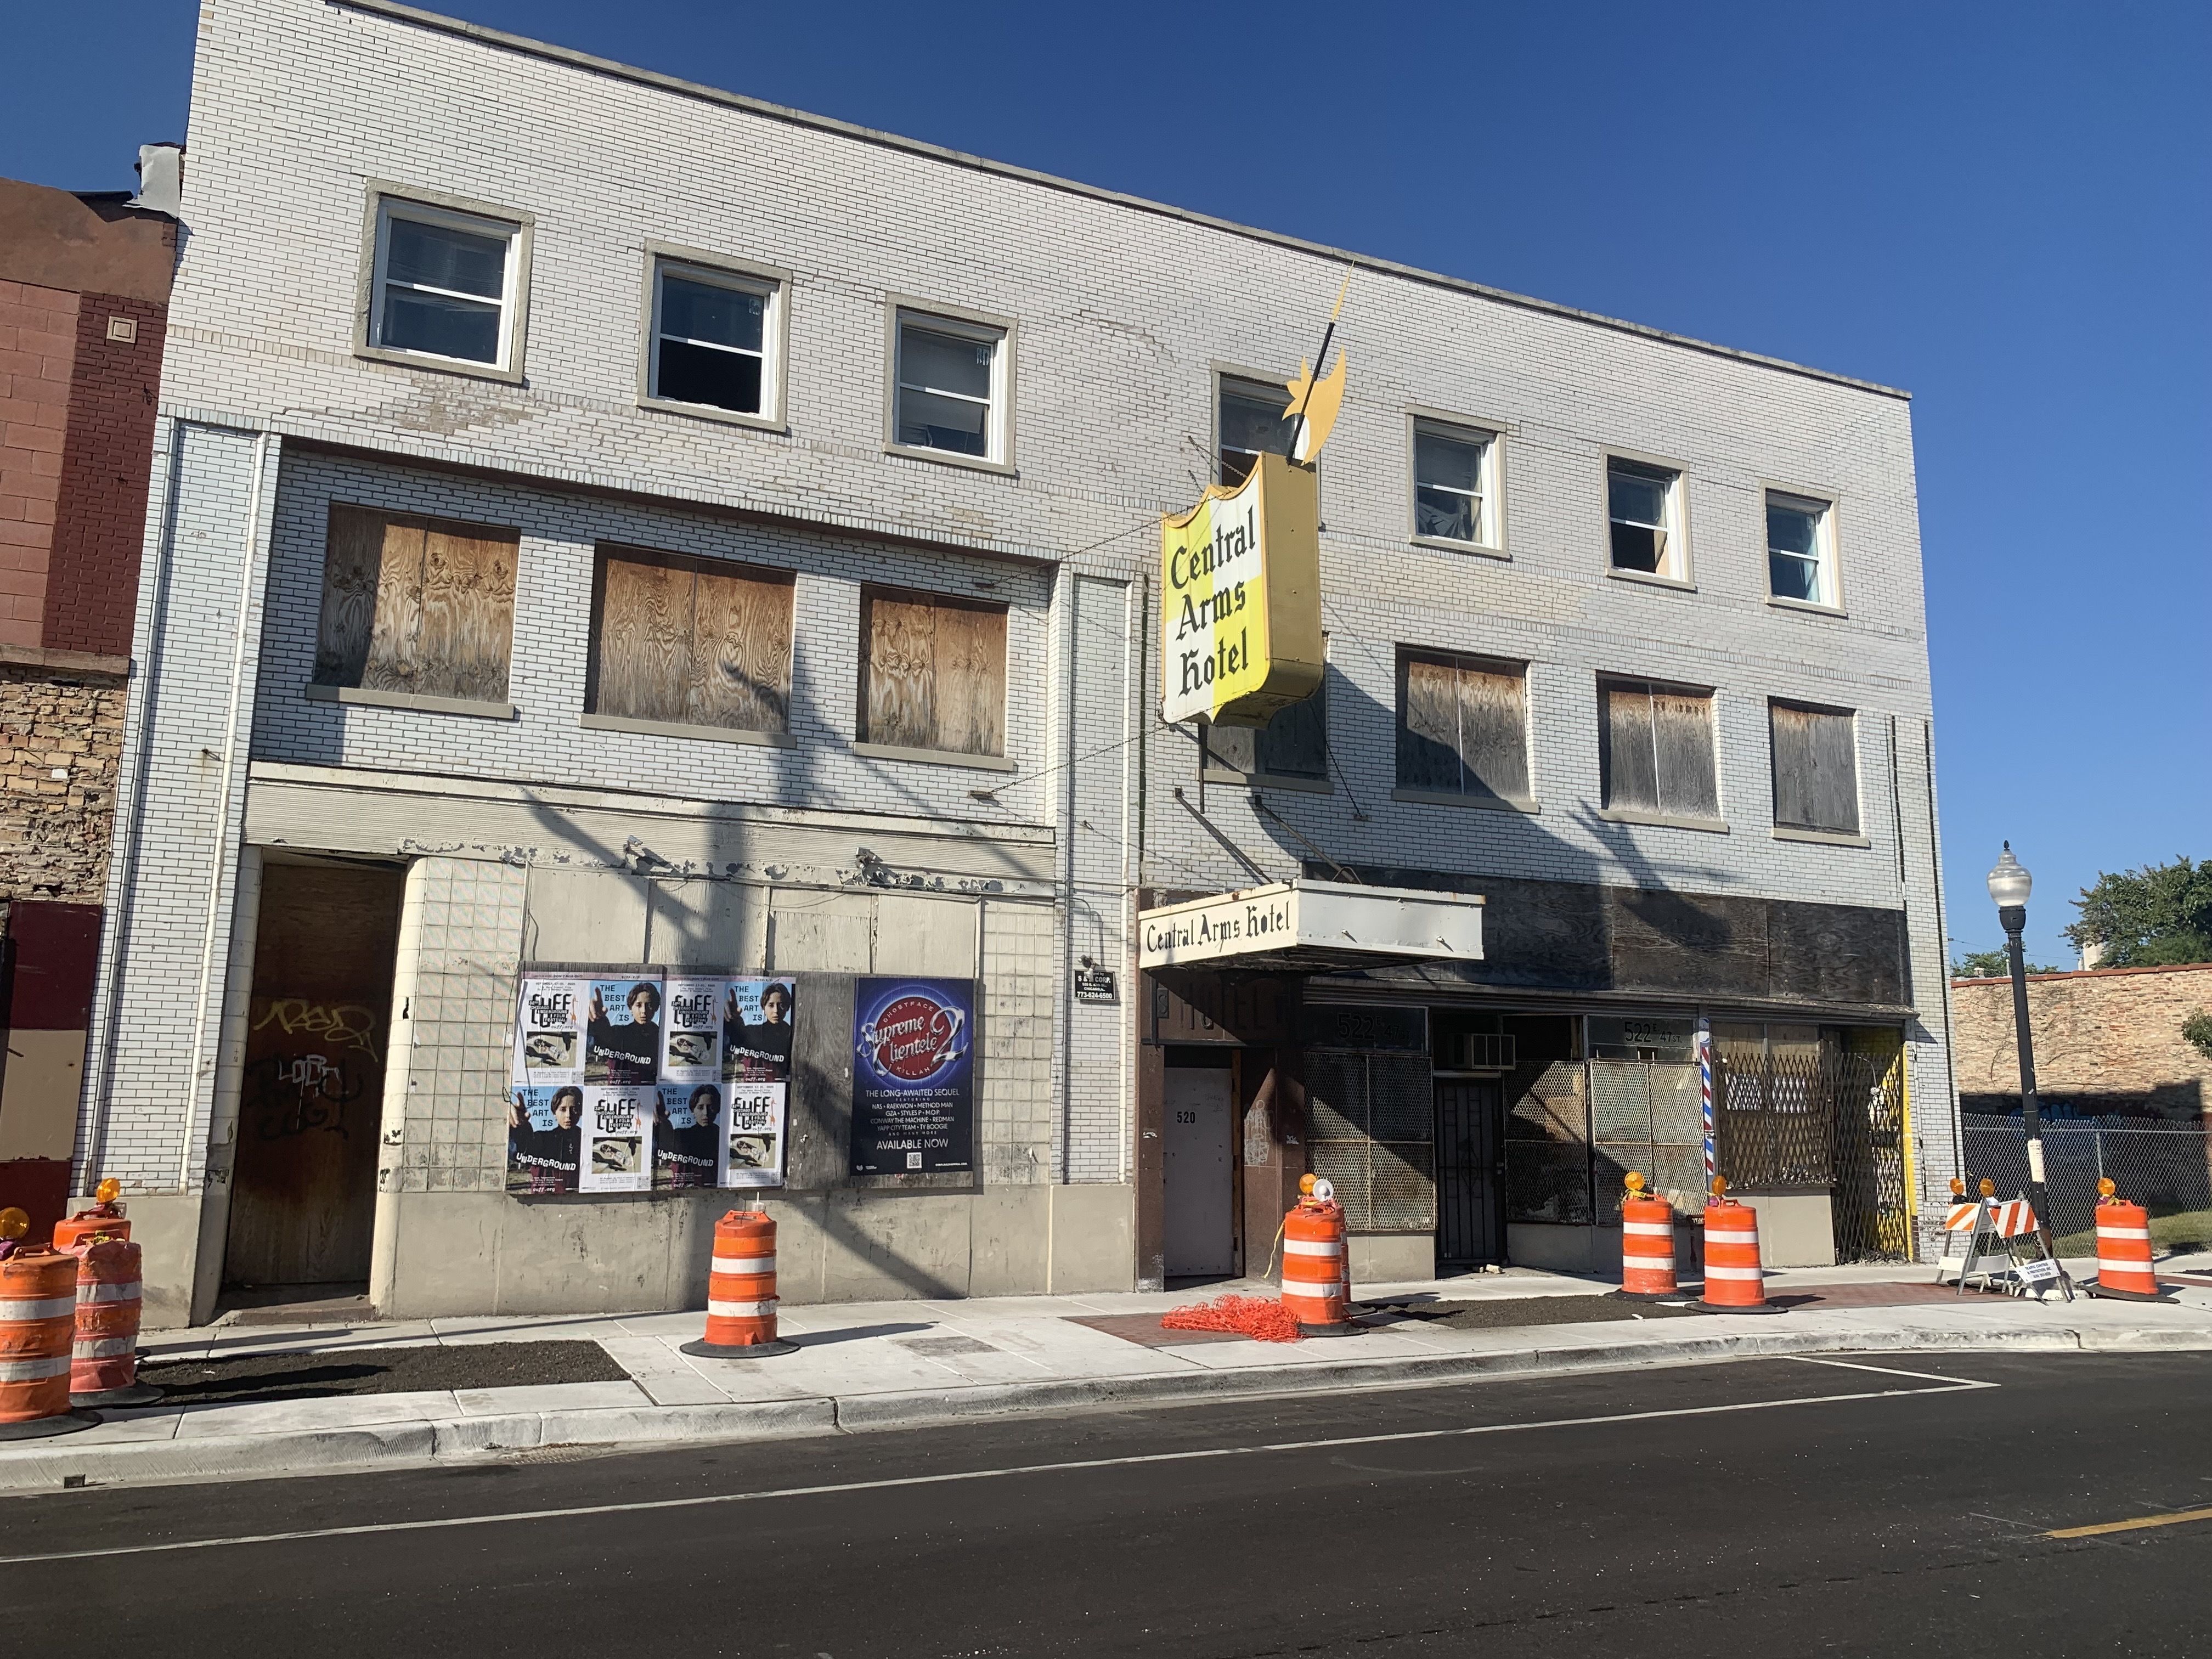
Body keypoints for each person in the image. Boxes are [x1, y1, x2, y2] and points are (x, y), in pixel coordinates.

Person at [507, 1085, 582, 1192]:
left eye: (574, 1109)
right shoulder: (544, 1139)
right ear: (554, 1113)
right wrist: (518, 1127)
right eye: (563, 1109)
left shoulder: (586, 1140)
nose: (568, 1115)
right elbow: (517, 1152)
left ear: (580, 1112)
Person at [588, 982, 662, 1084]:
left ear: (656, 1007)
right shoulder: (620, 1033)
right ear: (630, 1008)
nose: (644, 1011)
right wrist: (595, 1020)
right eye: (639, 1005)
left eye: (648, 1005)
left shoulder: (660, 1036)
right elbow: (597, 1040)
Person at [724, 981, 794, 1080]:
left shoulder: (793, 1035)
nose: (776, 1011)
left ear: (787, 1008)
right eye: (771, 1005)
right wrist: (731, 1021)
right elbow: (730, 1041)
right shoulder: (753, 1032)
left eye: (781, 1005)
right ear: (763, 1008)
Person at [655, 1084, 723, 1188]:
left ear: (717, 1109)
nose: (706, 1113)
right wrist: (663, 1124)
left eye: (711, 1107)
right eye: (700, 1107)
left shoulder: (722, 1137)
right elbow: (667, 1142)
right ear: (693, 1111)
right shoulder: (682, 1135)